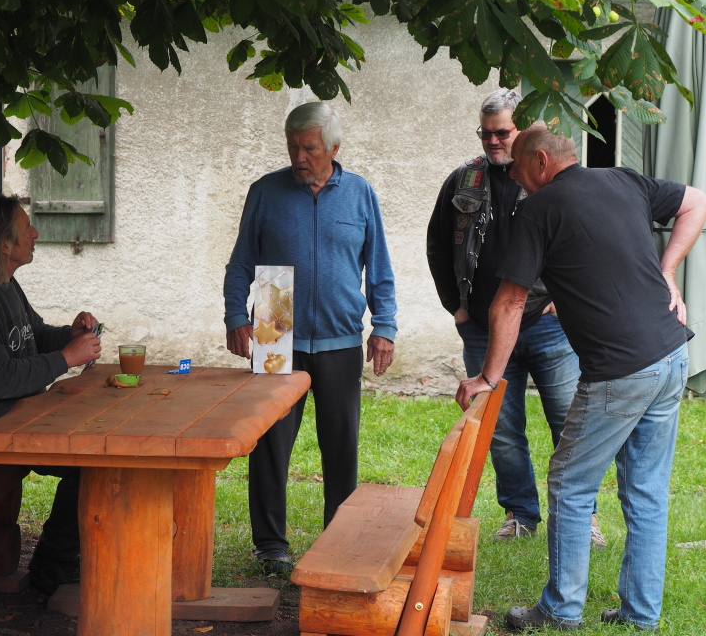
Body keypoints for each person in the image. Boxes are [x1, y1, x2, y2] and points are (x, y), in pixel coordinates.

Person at [456, 124, 706, 632]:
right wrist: (668, 270)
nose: (516, 179)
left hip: (621, 370)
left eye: (520, 169)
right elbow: (698, 202)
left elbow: (509, 302)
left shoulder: (538, 209)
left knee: (570, 484)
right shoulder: (624, 180)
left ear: (541, 161)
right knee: (646, 491)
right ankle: (639, 615)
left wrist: (488, 377)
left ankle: (560, 609)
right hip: (671, 355)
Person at [223, 101, 398, 574]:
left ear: (333, 149)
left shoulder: (360, 193)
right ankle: (270, 546)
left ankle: (336, 541)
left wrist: (384, 326)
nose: (300, 157)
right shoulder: (266, 191)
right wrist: (236, 316)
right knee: (270, 444)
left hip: (341, 334)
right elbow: (241, 263)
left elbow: (379, 268)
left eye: (310, 149)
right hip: (275, 321)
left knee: (340, 447)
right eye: (293, 147)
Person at [426, 90, 600, 545]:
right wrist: (456, 306)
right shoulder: (463, 179)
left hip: (548, 325)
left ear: (524, 131)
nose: (492, 141)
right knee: (501, 430)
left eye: (502, 133)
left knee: (568, 423)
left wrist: (565, 298)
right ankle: (520, 514)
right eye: (485, 133)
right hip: (483, 330)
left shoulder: (548, 178)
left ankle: (584, 517)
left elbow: (582, 240)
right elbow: (437, 244)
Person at [0, 195, 102, 596]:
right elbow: (0, 380)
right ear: (5, 245)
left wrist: (70, 336)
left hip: (16, 416)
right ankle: (51, 570)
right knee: (92, 462)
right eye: (27, 228)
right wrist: (67, 358)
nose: (36, 233)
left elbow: (34, 336)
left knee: (99, 451)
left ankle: (62, 560)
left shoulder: (4, 284)